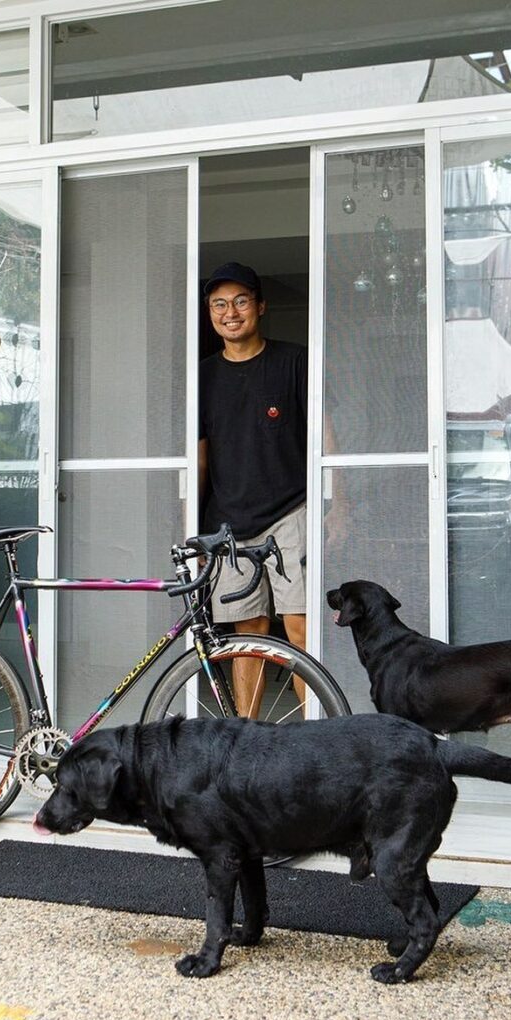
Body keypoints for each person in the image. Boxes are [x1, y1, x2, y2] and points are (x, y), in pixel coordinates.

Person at [199, 262, 308, 717]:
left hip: (291, 511)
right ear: (210, 313)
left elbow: (327, 437)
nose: (230, 312)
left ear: (260, 307)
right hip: (229, 519)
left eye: (240, 301)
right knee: (248, 633)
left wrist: (338, 506)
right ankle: (247, 737)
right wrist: (192, 525)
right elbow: (199, 456)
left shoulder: (293, 360)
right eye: (219, 304)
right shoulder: (202, 375)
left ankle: (320, 735)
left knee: (300, 628)